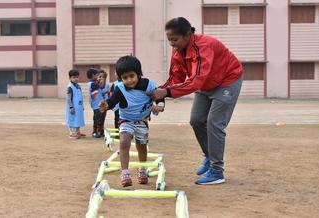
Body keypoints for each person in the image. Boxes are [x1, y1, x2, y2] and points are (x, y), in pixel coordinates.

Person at [151, 17, 243, 185]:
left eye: (175, 39)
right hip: (206, 83)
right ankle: (209, 156)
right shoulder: (178, 49)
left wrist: (167, 92)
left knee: (214, 123)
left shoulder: (203, 46)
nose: (172, 44)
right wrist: (160, 94)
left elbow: (196, 81)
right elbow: (176, 77)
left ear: (187, 35)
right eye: (169, 40)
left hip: (227, 80)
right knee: (197, 120)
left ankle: (217, 171)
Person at [99, 55, 165, 187]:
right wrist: (105, 105)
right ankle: (125, 172)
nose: (129, 80)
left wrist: (160, 106)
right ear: (120, 78)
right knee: (124, 142)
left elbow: (159, 96)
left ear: (138, 74)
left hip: (142, 120)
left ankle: (142, 169)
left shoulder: (147, 85)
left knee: (141, 146)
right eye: (125, 78)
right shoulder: (120, 89)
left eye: (131, 76)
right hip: (126, 120)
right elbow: (112, 102)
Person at [65, 69, 85, 139]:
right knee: (72, 119)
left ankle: (77, 131)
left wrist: (82, 106)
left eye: (77, 77)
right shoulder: (70, 87)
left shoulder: (78, 86)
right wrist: (71, 107)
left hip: (78, 107)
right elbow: (68, 98)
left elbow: (80, 96)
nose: (76, 79)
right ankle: (72, 133)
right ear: (70, 78)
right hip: (73, 107)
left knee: (78, 119)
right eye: (74, 77)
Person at [87, 68, 103, 138]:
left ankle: (99, 131)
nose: (98, 76)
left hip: (97, 104)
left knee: (99, 118)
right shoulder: (93, 84)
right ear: (93, 75)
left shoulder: (93, 83)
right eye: (97, 75)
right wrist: (101, 79)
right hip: (96, 105)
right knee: (97, 119)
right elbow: (101, 85)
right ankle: (95, 132)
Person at [98, 70, 109, 136]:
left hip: (105, 103)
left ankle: (101, 130)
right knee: (99, 117)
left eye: (103, 77)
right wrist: (106, 91)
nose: (101, 78)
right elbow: (101, 92)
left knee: (103, 117)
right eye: (100, 76)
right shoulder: (98, 85)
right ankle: (98, 131)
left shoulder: (107, 85)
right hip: (99, 103)